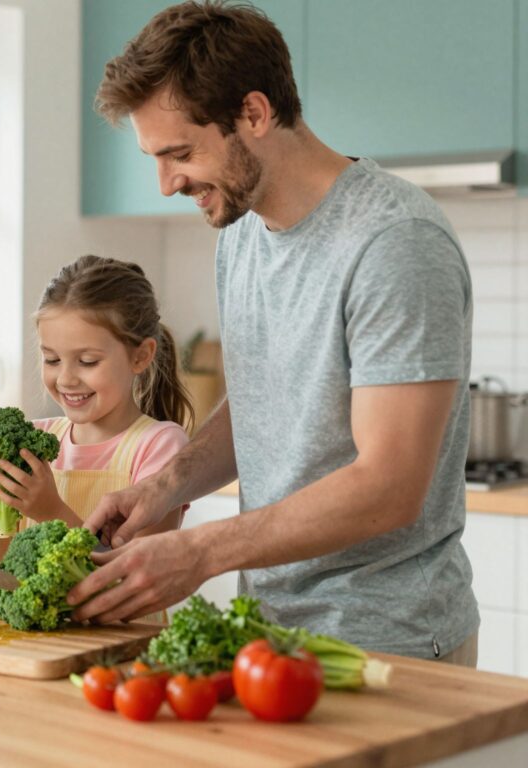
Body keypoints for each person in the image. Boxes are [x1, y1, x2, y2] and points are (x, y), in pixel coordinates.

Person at [68, 1, 478, 666]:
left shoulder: (395, 242)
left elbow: (391, 485)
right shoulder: (244, 231)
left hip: (386, 647)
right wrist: (165, 487)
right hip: (266, 632)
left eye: (179, 153)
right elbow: (264, 403)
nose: (167, 183)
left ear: (254, 114)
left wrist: (199, 551)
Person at [0, 255, 191, 576]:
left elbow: (137, 576)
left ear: (141, 356)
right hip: (39, 628)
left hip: (130, 628)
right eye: (52, 360)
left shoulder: (159, 446)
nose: (66, 378)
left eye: (87, 361)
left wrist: (50, 511)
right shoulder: (35, 439)